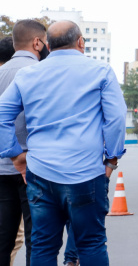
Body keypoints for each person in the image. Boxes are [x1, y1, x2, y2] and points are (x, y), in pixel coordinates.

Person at [0, 21, 126, 266]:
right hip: (86, 174)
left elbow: (2, 114)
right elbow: (117, 118)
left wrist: (15, 155)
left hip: (40, 175)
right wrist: (111, 159)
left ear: (48, 45)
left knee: (43, 245)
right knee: (91, 243)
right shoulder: (100, 70)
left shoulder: (29, 74)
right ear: (80, 42)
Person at [0, 20, 48, 266]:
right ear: (37, 42)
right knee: (36, 239)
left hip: (1, 169)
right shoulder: (41, 73)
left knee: (3, 240)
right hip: (32, 168)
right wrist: (19, 156)